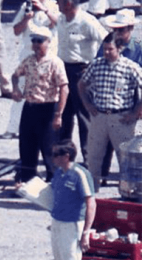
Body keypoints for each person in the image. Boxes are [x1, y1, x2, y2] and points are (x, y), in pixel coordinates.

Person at [78, 33, 142, 189]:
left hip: (121, 119)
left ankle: (128, 191)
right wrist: (88, 105)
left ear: (119, 49)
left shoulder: (131, 67)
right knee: (94, 157)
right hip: (99, 117)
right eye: (104, 49)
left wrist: (136, 113)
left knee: (125, 158)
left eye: (110, 49)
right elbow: (81, 84)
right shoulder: (96, 64)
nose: (106, 52)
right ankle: (92, 192)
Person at [10, 25, 67, 183]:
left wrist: (58, 115)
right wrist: (15, 88)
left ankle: (54, 181)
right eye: (34, 40)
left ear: (48, 42)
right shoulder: (28, 61)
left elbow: (64, 88)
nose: (36, 44)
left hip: (48, 109)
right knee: (27, 146)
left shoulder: (55, 62)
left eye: (39, 41)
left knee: (49, 149)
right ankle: (29, 180)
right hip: (30, 108)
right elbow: (15, 75)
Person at [47, 142, 96, 260]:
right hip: (58, 222)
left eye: (55, 155)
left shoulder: (80, 174)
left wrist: (85, 233)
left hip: (72, 224)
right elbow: (49, 192)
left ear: (66, 156)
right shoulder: (59, 173)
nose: (51, 158)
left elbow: (91, 203)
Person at [95, 9, 142, 185]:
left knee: (126, 144)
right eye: (116, 29)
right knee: (103, 141)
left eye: (122, 29)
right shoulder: (107, 44)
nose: (118, 33)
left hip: (130, 101)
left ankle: (128, 180)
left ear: (130, 29)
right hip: (107, 99)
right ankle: (101, 177)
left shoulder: (139, 47)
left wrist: (138, 109)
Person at [57, 0, 107, 161]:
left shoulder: (87, 21)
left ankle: (89, 158)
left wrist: (98, 67)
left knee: (84, 117)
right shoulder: (61, 19)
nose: (57, 3)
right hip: (64, 70)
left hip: (82, 72)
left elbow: (106, 40)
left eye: (59, 1)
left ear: (68, 3)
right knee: (64, 115)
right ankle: (64, 156)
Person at [5, 0, 60, 138]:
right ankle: (13, 127)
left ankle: (46, 129)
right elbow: (16, 30)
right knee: (22, 91)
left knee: (47, 93)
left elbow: (60, 24)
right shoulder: (26, 6)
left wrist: (45, 10)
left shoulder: (55, 5)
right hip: (28, 56)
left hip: (48, 57)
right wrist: (26, 18)